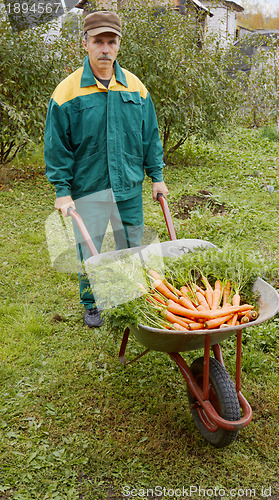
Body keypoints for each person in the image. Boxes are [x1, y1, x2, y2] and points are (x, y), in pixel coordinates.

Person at [44, 10, 168, 327]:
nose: (105, 49)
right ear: (84, 43)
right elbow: (57, 146)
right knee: (90, 250)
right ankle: (92, 303)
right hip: (88, 188)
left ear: (118, 46)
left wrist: (157, 177)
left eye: (111, 42)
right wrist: (62, 191)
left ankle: (130, 295)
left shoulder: (136, 89)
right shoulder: (67, 92)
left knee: (132, 245)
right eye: (98, 41)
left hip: (128, 186)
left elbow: (150, 136)